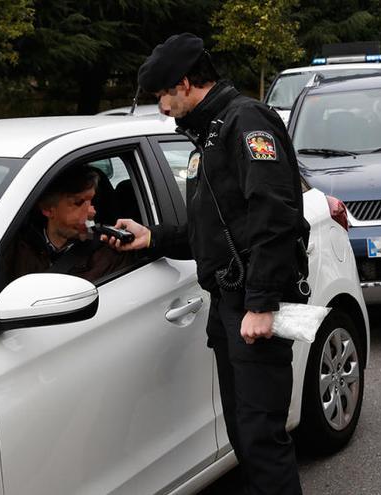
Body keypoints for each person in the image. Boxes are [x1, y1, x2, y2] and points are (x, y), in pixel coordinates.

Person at [105, 33, 309, 494]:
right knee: (243, 432)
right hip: (228, 303)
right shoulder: (209, 133)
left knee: (261, 438)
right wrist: (152, 236)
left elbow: (275, 217)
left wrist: (261, 303)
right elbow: (215, 230)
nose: (160, 106)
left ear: (183, 83)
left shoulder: (245, 121)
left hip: (255, 305)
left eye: (161, 94)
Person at [2, 164, 131, 283]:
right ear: (47, 209)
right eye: (79, 203)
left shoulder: (109, 254)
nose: (92, 212)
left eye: (91, 201)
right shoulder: (14, 249)